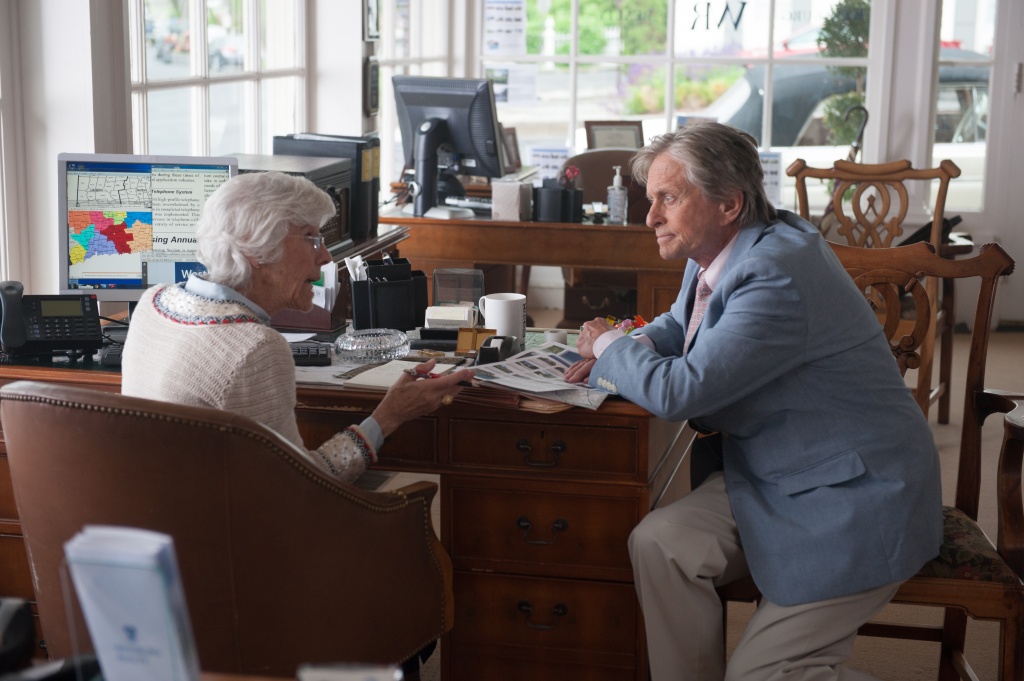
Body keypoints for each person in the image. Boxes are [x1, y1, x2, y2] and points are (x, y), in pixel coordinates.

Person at [564, 123, 942, 681]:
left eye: (668, 198)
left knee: (762, 676)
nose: (650, 217)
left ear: (729, 203)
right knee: (661, 545)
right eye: (651, 199)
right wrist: (633, 345)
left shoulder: (775, 274)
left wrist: (609, 347)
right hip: (778, 471)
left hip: (856, 496)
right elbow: (684, 324)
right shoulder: (724, 245)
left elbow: (681, 391)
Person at [122, 171, 473, 484]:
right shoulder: (254, 347)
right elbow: (299, 486)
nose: (326, 256)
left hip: (156, 521)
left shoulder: (153, 303)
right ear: (256, 248)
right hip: (220, 532)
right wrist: (389, 416)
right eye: (311, 238)